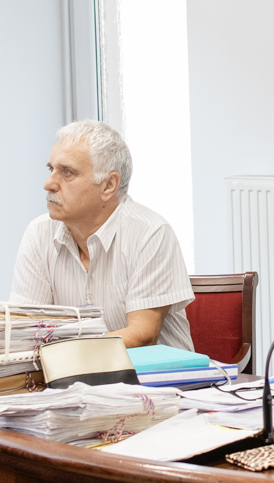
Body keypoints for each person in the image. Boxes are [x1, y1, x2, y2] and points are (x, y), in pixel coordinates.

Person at [10, 119, 195, 349]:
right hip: (73, 371)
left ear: (108, 185)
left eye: (67, 172)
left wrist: (67, 354)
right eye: (51, 170)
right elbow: (26, 332)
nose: (49, 184)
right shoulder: (38, 234)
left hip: (150, 372)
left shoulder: (150, 233)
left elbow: (143, 336)